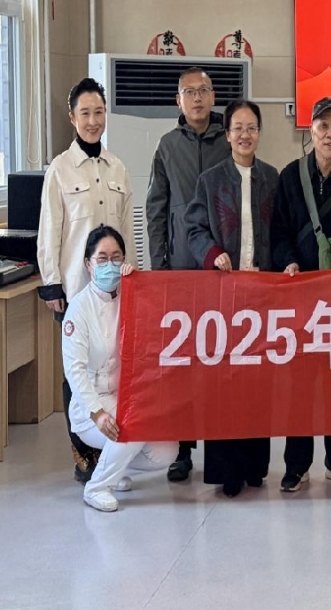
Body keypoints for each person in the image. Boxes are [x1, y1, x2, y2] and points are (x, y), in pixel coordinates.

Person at [37, 77, 135, 484]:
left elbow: (127, 230)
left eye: (99, 112)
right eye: (85, 113)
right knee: (75, 370)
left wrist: (133, 277)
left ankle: (110, 447)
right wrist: (51, 283)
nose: (93, 121)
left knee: (113, 362)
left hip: (115, 289)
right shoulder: (60, 169)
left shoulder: (117, 167)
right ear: (72, 117)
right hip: (76, 288)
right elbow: (50, 230)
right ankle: (83, 452)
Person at [271, 97, 331, 492]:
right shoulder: (290, 178)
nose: (330, 133)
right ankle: (296, 465)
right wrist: (289, 261)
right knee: (301, 384)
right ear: (311, 131)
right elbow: (278, 232)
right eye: (323, 126)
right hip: (300, 297)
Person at [185, 99, 278, 498]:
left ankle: (255, 467)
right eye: (238, 128)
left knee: (258, 381)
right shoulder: (210, 180)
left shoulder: (272, 178)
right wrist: (212, 254)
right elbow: (193, 228)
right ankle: (228, 472)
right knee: (225, 382)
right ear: (226, 135)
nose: (245, 135)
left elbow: (282, 229)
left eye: (251, 127)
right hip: (223, 296)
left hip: (262, 294)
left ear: (259, 133)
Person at [146, 66, 232, 483]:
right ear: (178, 101)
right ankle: (182, 449)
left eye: (203, 90)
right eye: (189, 92)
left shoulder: (229, 139)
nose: (197, 98)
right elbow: (156, 210)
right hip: (180, 269)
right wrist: (159, 268)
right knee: (182, 363)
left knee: (221, 361)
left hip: (223, 268)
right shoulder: (167, 146)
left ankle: (220, 449)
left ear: (213, 97)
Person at [63, 225, 177, 512]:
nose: (110, 265)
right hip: (91, 406)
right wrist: (97, 413)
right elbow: (74, 371)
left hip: (124, 396)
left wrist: (138, 284)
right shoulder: (79, 308)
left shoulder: (130, 296)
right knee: (132, 427)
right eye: (102, 259)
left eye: (116, 258)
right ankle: (97, 486)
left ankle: (115, 466)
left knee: (167, 450)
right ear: (88, 264)